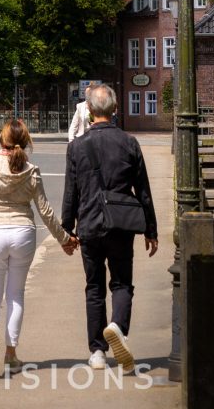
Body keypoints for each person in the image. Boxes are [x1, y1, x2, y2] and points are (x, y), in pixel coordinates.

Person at [0, 119, 77, 372]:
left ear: (1, 140)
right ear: (25, 142)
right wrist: (64, 239)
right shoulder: (31, 170)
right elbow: (45, 212)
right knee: (15, 294)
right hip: (23, 234)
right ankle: (11, 354)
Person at [61, 83, 158, 372]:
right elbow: (143, 190)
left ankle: (97, 352)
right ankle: (118, 326)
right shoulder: (129, 143)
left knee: (94, 287)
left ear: (89, 111)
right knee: (122, 283)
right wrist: (151, 230)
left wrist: (67, 232)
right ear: (115, 109)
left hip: (89, 223)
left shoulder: (77, 146)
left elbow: (71, 193)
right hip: (121, 224)